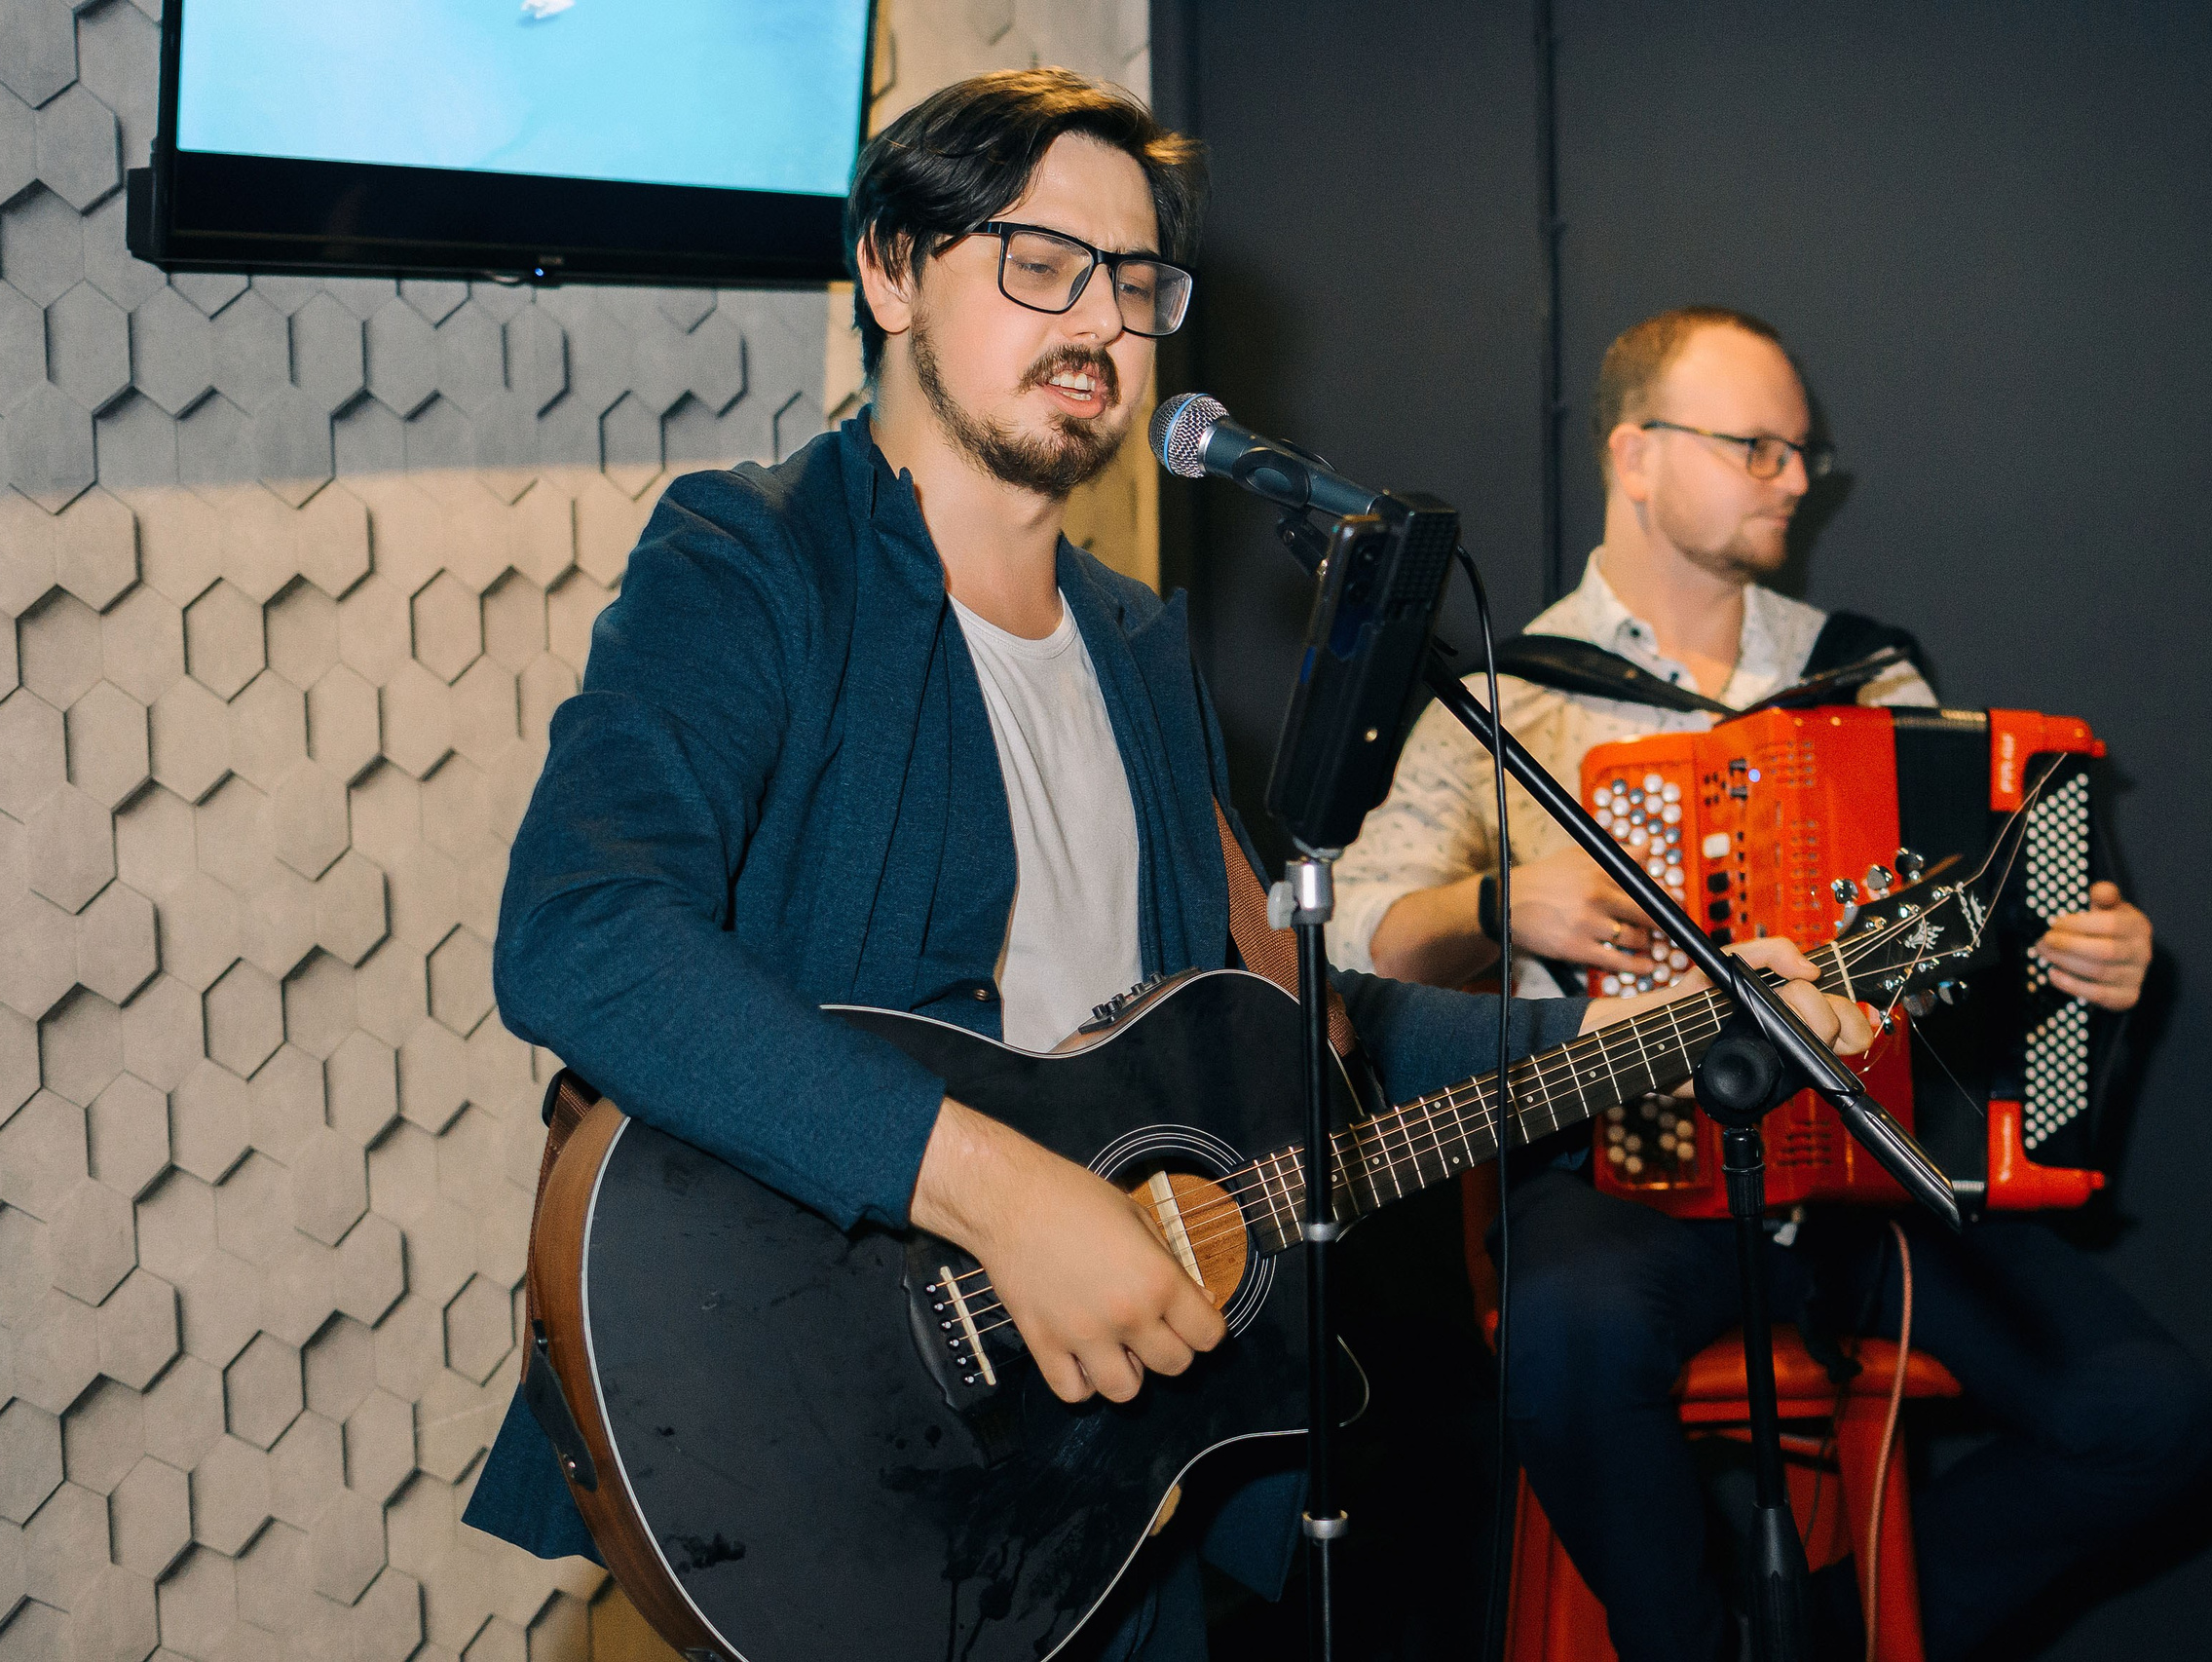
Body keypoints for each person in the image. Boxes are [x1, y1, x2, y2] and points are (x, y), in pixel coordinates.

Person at [456, 85, 1873, 1661]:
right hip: (779, 1468)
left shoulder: (1136, 642)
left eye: (1135, 286)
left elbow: (1289, 1027)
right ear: (891, 269)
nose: (1103, 327)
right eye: (1042, 263)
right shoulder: (753, 559)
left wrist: (1631, 1038)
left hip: (1104, 1497)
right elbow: (581, 934)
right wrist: (1003, 1194)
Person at [1328, 307, 2212, 1660]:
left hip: (1868, 1183)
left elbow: (1966, 937)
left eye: (1802, 455)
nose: (1795, 480)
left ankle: (1828, 1643)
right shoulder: (1515, 695)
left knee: (2155, 1415)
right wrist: (1497, 903)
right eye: (1756, 447)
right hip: (1627, 1179)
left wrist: (2080, 955)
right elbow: (1347, 941)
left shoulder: (1865, 670)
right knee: (1562, 1344)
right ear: (1633, 456)